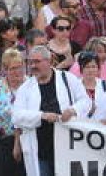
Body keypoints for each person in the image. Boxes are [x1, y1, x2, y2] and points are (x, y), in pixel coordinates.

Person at [11, 45, 87, 176]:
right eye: (30, 62)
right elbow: (17, 116)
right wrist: (42, 116)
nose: (33, 65)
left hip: (66, 147)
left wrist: (73, 110)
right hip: (40, 149)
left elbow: (86, 101)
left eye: (37, 61)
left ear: (49, 61)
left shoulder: (67, 79)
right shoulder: (25, 88)